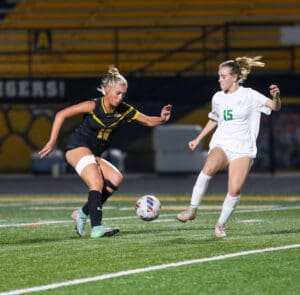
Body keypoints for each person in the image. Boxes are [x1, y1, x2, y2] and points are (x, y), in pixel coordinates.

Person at [39, 65, 172, 238]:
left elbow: (147, 120)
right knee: (96, 182)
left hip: (93, 154)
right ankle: (96, 227)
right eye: (117, 93)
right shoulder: (93, 105)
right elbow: (61, 114)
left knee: (115, 178)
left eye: (123, 94)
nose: (120, 97)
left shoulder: (124, 110)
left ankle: (82, 213)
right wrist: (52, 141)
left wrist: (161, 119)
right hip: (77, 147)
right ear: (107, 90)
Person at [177, 56, 281, 237]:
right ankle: (192, 210)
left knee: (234, 190)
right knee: (207, 169)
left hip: (243, 149)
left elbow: (274, 106)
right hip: (222, 143)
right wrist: (198, 138)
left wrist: (276, 97)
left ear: (234, 77)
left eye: (223, 76)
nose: (219, 79)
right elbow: (214, 119)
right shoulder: (217, 97)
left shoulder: (249, 94)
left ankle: (220, 225)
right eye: (219, 76)